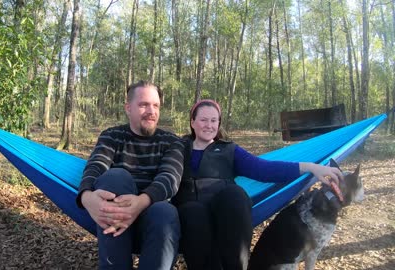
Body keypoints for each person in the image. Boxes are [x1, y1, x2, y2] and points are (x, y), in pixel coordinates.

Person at [172, 99, 343, 270]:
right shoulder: (177, 148)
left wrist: (310, 167)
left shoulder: (228, 150)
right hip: (191, 218)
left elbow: (264, 169)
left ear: (219, 123)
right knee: (193, 211)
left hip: (225, 216)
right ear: (192, 122)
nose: (209, 125)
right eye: (203, 120)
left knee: (235, 194)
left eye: (213, 120)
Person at [76, 81, 185, 270]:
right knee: (115, 177)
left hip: (154, 225)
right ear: (128, 108)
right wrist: (86, 197)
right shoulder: (112, 136)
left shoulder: (171, 141)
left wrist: (140, 203)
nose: (151, 111)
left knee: (165, 211)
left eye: (156, 105)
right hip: (114, 222)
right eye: (143, 105)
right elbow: (96, 166)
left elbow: (170, 178)